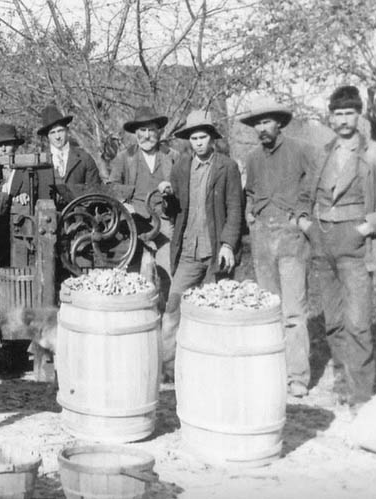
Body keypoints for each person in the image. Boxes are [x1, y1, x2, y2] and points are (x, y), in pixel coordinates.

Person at [304, 85, 376, 409]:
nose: (344, 120)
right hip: (323, 245)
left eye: (350, 113)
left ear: (359, 115)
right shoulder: (322, 152)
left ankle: (361, 395)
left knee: (358, 323)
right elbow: (306, 198)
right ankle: (341, 382)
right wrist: (307, 227)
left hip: (356, 246)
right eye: (338, 114)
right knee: (333, 321)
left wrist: (365, 227)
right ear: (330, 117)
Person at [239, 97, 321, 399]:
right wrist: (250, 216)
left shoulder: (300, 150)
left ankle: (297, 376)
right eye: (257, 123)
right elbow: (249, 192)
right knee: (268, 310)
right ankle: (273, 373)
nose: (262, 128)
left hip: (291, 238)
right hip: (262, 239)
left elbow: (317, 181)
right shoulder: (252, 158)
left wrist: (301, 214)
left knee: (293, 312)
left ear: (279, 123)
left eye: (267, 122)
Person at [163, 109, 244, 380]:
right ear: (189, 140)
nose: (198, 142)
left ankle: (215, 368)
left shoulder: (227, 167)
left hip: (214, 252)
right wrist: (166, 197)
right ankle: (168, 368)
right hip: (187, 250)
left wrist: (228, 245)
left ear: (211, 139)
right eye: (194, 138)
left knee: (213, 312)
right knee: (173, 308)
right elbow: (173, 210)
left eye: (203, 137)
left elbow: (235, 209)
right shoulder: (181, 166)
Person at [108, 106, 178, 309]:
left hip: (164, 222)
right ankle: (135, 316)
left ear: (159, 132)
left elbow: (183, 186)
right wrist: (124, 205)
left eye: (151, 130)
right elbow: (112, 187)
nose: (147, 136)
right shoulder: (124, 157)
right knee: (133, 276)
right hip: (134, 222)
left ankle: (167, 321)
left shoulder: (171, 156)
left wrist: (171, 191)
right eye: (142, 131)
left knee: (168, 272)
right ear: (136, 133)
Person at [0, 123, 29, 276]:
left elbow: (27, 191)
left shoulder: (24, 169)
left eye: (7, 144)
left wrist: (22, 195)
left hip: (15, 222)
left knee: (11, 262)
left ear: (15, 146)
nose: (3, 149)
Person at [34, 103, 102, 200]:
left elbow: (95, 191)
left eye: (60, 131)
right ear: (47, 136)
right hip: (46, 213)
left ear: (67, 130)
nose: (57, 137)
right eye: (52, 133)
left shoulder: (84, 159)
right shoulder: (39, 162)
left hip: (79, 212)